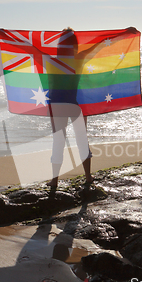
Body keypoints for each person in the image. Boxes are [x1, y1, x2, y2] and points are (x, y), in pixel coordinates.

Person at [46, 27, 93, 188]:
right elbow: (97, 46)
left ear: (59, 44)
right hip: (74, 105)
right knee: (82, 140)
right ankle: (88, 177)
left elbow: (30, 50)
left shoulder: (50, 60)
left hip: (57, 106)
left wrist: (6, 36)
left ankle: (54, 181)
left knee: (58, 142)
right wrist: (121, 34)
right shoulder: (79, 58)